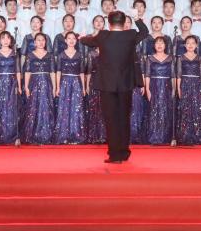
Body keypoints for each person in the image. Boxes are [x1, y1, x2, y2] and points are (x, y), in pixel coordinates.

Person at [78, 10, 148, 164]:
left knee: (111, 120)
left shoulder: (103, 35)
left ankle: (115, 155)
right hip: (126, 84)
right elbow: (144, 32)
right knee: (124, 118)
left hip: (107, 84)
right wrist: (137, 18)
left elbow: (87, 41)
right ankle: (124, 152)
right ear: (123, 23)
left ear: (109, 24)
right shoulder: (130, 35)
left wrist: (81, 37)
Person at [21, 33, 56, 145]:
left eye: (43, 40)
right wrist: (26, 87)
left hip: (46, 83)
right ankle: (32, 134)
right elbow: (27, 72)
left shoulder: (50, 55)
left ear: (45, 42)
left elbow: (52, 72)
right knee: (33, 107)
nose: (40, 42)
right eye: (38, 40)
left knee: (46, 107)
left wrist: (55, 87)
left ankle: (46, 134)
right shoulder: (30, 55)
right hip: (34, 83)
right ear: (34, 42)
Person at [0, 31, 21, 145]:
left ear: (11, 40)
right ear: (0, 40)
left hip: (12, 83)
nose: (6, 40)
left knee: (12, 108)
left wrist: (19, 86)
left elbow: (18, 71)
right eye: (3, 38)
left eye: (8, 38)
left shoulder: (15, 54)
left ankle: (13, 137)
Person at [174, 35, 201, 145]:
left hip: (197, 84)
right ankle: (184, 135)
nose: (190, 45)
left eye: (193, 43)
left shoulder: (200, 58)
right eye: (188, 43)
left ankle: (197, 135)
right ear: (185, 45)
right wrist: (178, 88)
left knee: (197, 108)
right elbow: (178, 75)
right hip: (185, 84)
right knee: (185, 109)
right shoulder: (181, 58)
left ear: (196, 45)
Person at [54, 32, 86, 144]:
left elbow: (82, 72)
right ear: (65, 40)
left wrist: (83, 88)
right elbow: (58, 71)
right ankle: (63, 135)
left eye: (73, 38)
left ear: (76, 41)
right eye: (69, 38)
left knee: (76, 108)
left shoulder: (80, 55)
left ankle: (76, 134)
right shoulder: (61, 55)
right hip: (64, 83)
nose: (71, 40)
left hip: (76, 83)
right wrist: (57, 87)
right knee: (64, 108)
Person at [144, 36, 174, 145]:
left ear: (165, 45)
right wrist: (147, 89)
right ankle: (154, 136)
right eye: (157, 43)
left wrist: (174, 89)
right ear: (154, 45)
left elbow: (173, 76)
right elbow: (147, 75)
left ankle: (165, 137)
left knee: (165, 110)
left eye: (162, 43)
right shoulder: (150, 58)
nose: (159, 45)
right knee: (154, 110)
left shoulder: (171, 58)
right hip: (154, 85)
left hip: (166, 86)